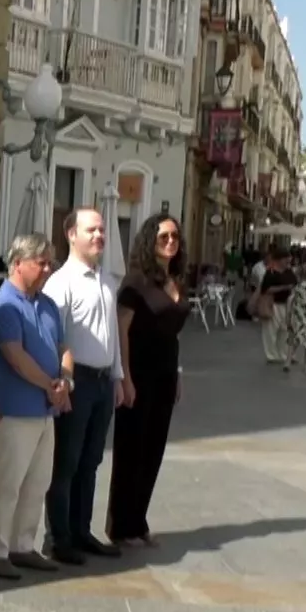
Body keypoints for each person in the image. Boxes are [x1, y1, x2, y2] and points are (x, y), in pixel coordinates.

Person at [0, 233, 69, 580]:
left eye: (50, 262)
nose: (48, 268)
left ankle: (23, 545)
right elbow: (15, 357)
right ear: (18, 263)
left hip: (46, 410)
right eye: (41, 262)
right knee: (7, 484)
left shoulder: (46, 304)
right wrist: (51, 385)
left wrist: (65, 379)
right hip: (16, 408)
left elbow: (64, 347)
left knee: (37, 482)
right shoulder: (5, 304)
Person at [41, 208, 124, 566]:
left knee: (90, 462)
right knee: (67, 463)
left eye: (102, 229)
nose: (99, 235)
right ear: (71, 234)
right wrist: (60, 382)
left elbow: (114, 338)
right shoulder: (61, 283)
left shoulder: (107, 280)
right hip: (77, 382)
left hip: (104, 382)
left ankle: (81, 530)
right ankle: (58, 537)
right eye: (91, 230)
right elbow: (52, 337)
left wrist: (118, 376)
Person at [108, 214, 191, 548]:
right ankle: (120, 525)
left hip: (166, 372)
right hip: (138, 372)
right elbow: (122, 331)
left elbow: (173, 334)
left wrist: (179, 372)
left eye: (174, 237)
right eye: (163, 237)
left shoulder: (176, 281)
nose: (171, 242)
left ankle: (138, 520)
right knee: (131, 448)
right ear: (149, 241)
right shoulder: (135, 281)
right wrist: (125, 377)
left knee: (154, 448)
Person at [254, 246, 297, 366]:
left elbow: (295, 282)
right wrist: (284, 288)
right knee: (271, 330)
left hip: (287, 304)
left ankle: (283, 353)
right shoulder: (270, 272)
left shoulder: (289, 271)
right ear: (278, 260)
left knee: (285, 330)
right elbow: (266, 289)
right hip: (273, 304)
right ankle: (271, 354)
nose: (288, 261)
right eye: (285, 259)